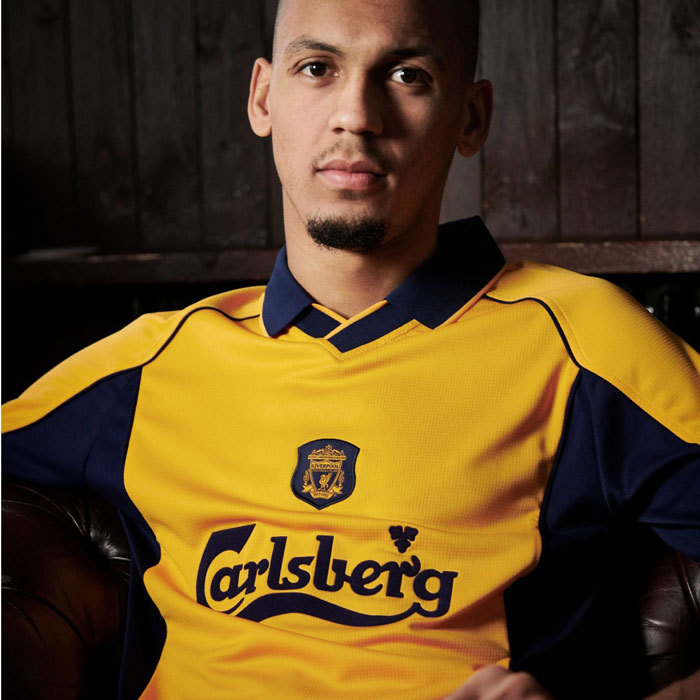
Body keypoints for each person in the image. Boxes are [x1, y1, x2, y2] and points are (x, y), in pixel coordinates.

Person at [3, 1, 699, 698]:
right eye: (317, 68)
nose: (356, 116)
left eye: (406, 75)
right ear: (264, 97)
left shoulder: (583, 342)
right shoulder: (152, 363)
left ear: (470, 118)